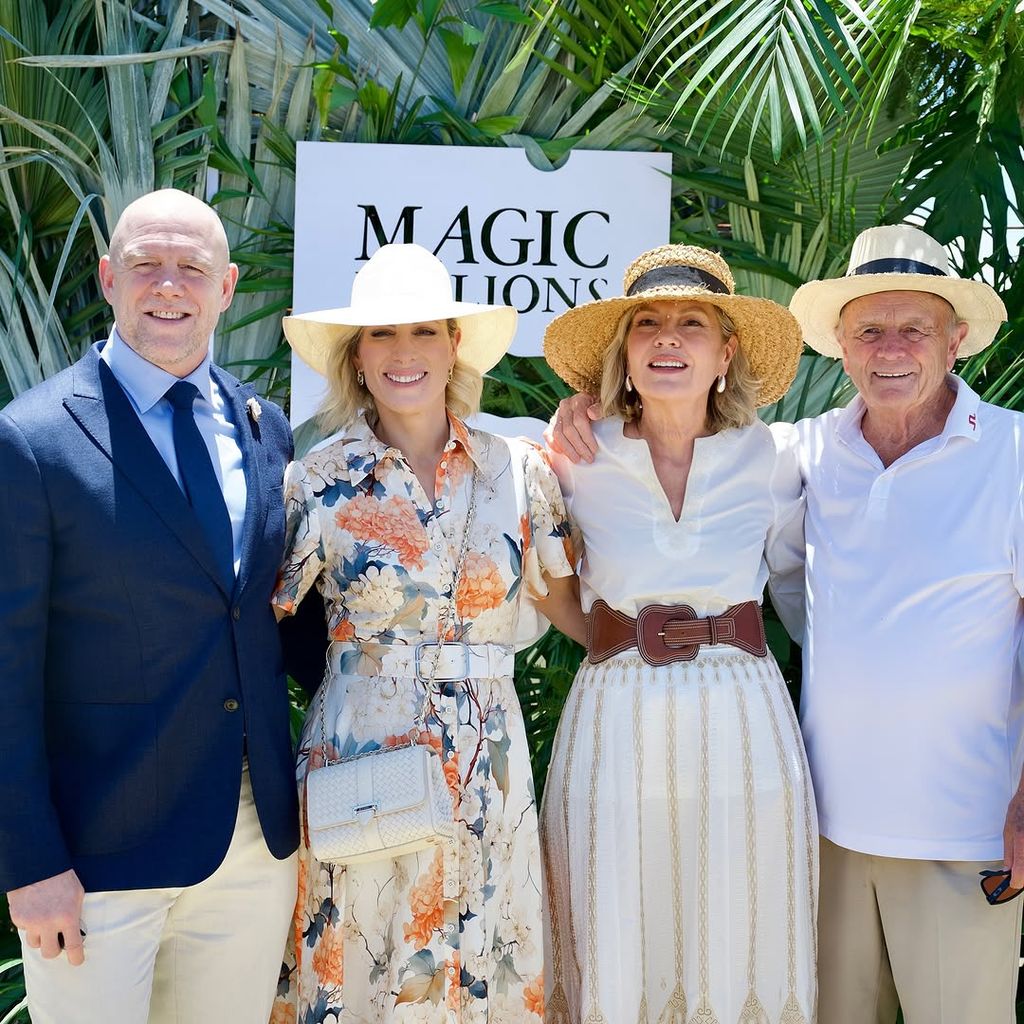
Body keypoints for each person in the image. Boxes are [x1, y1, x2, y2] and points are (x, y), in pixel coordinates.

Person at [550, 224, 1021, 1023]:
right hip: (823, 821)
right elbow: (802, 602)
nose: (890, 349)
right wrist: (579, 411)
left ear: (958, 338)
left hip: (961, 828)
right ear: (840, 343)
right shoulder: (807, 452)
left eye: (914, 328)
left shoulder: (1006, 456)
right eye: (869, 330)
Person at [0, 189, 299, 1022]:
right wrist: (28, 862)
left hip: (250, 850)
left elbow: (280, 624)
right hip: (95, 863)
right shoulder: (31, 441)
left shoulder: (264, 427)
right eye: (147, 265)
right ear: (108, 277)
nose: (169, 286)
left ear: (227, 286)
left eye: (192, 268)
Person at [269, 243, 583, 1022]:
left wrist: (655, 648)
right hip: (361, 751)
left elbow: (573, 608)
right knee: (367, 961)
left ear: (453, 347)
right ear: (356, 356)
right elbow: (260, 626)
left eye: (424, 332)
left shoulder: (522, 470)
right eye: (381, 334)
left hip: (490, 759)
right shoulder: (314, 480)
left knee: (482, 961)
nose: (403, 352)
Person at [540, 244, 816, 1023]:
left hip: (742, 722)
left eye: (692, 323)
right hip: (615, 722)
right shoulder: (568, 456)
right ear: (623, 354)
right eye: (648, 324)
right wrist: (611, 637)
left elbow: (804, 586)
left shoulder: (775, 455)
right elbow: (547, 582)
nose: (668, 338)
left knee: (739, 920)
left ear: (726, 352)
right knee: (616, 918)